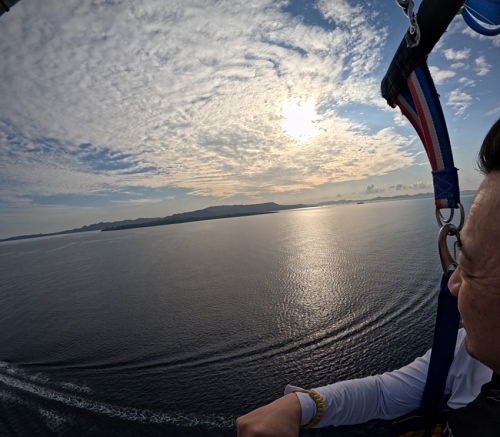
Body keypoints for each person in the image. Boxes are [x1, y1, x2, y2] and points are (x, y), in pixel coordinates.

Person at [236, 118, 500, 437]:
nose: (453, 284)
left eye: (470, 264)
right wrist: (296, 406)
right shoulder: (467, 354)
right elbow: (384, 394)